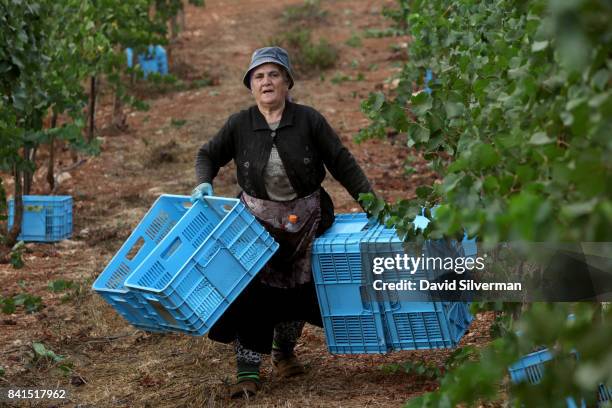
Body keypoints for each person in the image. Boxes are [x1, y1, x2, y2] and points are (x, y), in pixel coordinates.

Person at [192, 46, 373, 398]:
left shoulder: (308, 120)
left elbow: (341, 161)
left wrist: (369, 200)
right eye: (259, 76)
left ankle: (285, 352)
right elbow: (208, 154)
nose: (266, 81)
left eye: (274, 74)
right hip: (255, 224)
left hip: (306, 221)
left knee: (299, 290)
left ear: (287, 81)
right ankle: (247, 371)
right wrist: (204, 180)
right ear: (250, 85)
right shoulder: (240, 124)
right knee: (253, 292)